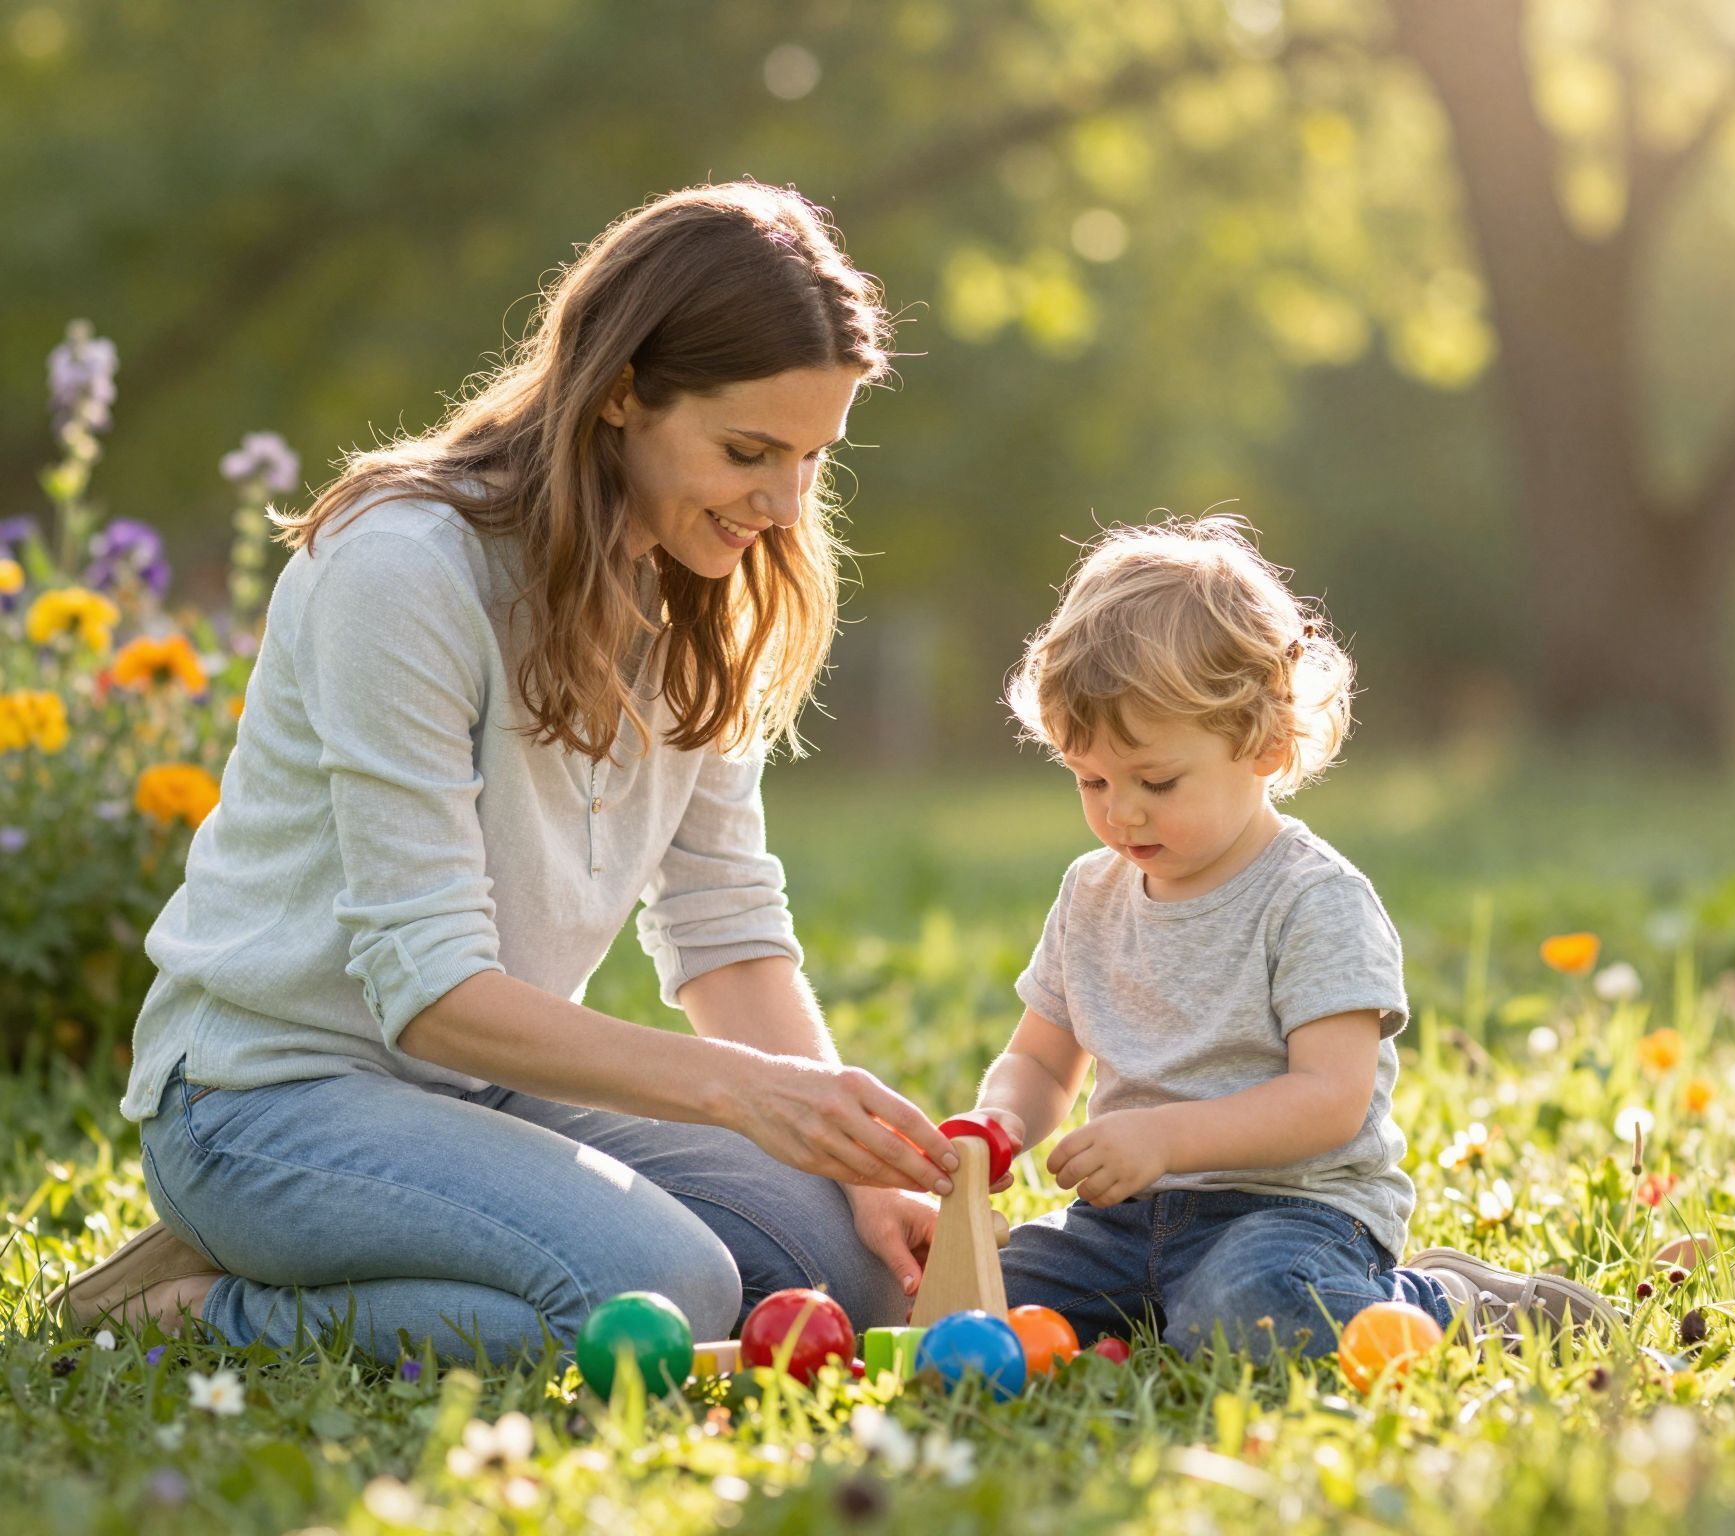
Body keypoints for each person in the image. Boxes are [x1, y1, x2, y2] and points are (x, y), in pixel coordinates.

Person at [54, 183, 963, 1364]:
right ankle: (197, 1307)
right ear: (623, 391)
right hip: (264, 1098)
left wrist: (844, 1162)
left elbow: (725, 927)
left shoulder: (700, 592)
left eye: (810, 459)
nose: (785, 505)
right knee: (658, 1295)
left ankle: (438, 1226)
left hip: (483, 1097)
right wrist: (747, 1097)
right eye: (748, 452)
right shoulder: (404, 568)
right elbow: (428, 993)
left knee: (856, 1274)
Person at [968, 516, 1619, 1357]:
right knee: (982, 1303)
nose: (1120, 811)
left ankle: (1446, 1300)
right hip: (1123, 1224)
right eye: (1090, 778)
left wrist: (1164, 1139)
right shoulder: (1091, 892)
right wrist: (995, 1124)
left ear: (1265, 746)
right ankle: (1179, 1310)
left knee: (1254, 1314)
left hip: (1293, 1213)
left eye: (1156, 780)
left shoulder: (1313, 900)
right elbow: (1041, 1059)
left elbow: (1329, 1100)